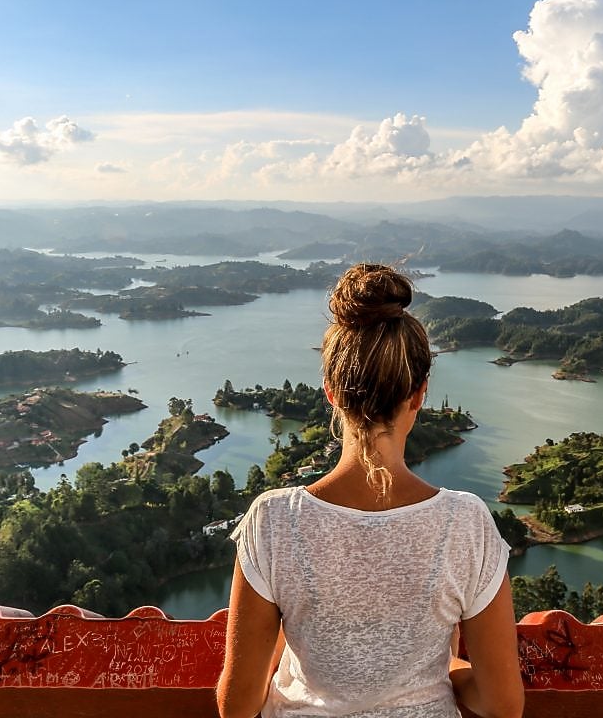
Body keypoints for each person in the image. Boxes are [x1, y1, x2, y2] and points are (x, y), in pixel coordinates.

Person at [217, 264, 523, 718]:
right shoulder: (466, 523)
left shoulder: (274, 520)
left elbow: (237, 705)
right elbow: (502, 705)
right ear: (418, 394)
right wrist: (449, 668)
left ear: (331, 394)